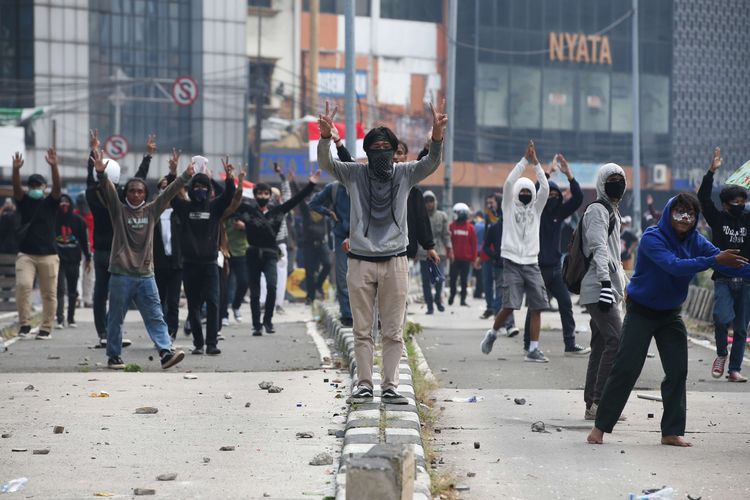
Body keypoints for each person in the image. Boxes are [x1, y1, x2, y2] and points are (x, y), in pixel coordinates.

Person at [587, 193, 750, 447]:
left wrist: (735, 264)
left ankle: (671, 432)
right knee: (626, 368)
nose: (685, 217)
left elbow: (727, 263)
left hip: (671, 314)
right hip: (641, 310)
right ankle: (600, 428)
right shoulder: (653, 237)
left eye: (690, 214)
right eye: (680, 211)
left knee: (677, 370)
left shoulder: (696, 240)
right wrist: (714, 260)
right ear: (668, 213)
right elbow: (674, 265)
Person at [317, 99, 447, 405]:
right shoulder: (354, 174)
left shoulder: (404, 174)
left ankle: (390, 387)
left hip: (395, 263)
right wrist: (326, 138)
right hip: (360, 262)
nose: (380, 154)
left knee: (393, 331)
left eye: (384, 148)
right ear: (367, 151)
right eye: (374, 149)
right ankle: (364, 385)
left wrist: (437, 137)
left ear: (392, 150)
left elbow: (430, 164)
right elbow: (327, 165)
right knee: (362, 331)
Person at [92, 148, 188, 370]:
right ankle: (114, 355)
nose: (136, 194)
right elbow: (107, 191)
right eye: (132, 191)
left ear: (146, 194)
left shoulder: (151, 211)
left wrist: (185, 174)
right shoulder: (119, 210)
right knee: (115, 318)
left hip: (146, 275)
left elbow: (170, 192)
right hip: (121, 274)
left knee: (155, 315)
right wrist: (100, 174)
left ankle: (165, 352)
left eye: (140, 191)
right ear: (126, 193)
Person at [480, 141, 550, 362]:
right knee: (510, 304)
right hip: (511, 262)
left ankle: (533, 349)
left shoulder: (536, 209)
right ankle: (492, 333)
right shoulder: (508, 206)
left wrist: (536, 164)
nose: (527, 194)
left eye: (530, 191)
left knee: (538, 305)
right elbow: (510, 182)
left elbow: (545, 188)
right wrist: (523, 162)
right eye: (524, 191)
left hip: (532, 263)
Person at [86, 130, 155, 347]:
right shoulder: (121, 195)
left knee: (100, 293)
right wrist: (147, 157)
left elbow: (91, 175)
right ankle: (114, 331)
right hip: (120, 252)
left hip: (100, 250)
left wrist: (94, 151)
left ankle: (103, 333)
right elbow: (139, 180)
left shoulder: (91, 193)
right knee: (119, 294)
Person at [167, 155, 236, 356]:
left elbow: (229, 195)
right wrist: (174, 173)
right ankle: (198, 342)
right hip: (189, 265)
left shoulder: (214, 208)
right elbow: (171, 195)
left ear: (209, 190)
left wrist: (229, 178)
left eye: (204, 187)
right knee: (193, 306)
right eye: (196, 186)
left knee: (213, 304)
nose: (200, 190)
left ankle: (212, 343)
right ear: (190, 188)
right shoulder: (184, 208)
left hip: (210, 264)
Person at [235, 171, 319, 335]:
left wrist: (311, 185)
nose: (263, 196)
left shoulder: (278, 211)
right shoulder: (248, 211)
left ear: (270, 196)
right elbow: (230, 200)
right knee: (255, 290)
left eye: (266, 193)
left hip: (270, 254)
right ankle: (256, 325)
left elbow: (296, 199)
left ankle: (268, 321)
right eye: (260, 193)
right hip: (252, 254)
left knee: (272, 286)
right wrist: (236, 181)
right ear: (255, 195)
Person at [523, 154, 588, 356]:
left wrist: (569, 174)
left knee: (566, 304)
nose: (552, 197)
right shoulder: (536, 211)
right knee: (536, 307)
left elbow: (577, 198)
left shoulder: (559, 213)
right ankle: (528, 343)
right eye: (548, 194)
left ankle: (570, 344)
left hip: (555, 269)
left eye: (555, 195)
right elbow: (534, 191)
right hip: (538, 267)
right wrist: (548, 173)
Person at [580, 163, 628, 420]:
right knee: (617, 341)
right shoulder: (598, 210)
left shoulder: (612, 211)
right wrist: (606, 284)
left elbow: (614, 256)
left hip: (607, 286)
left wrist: (624, 284)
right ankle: (600, 402)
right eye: (612, 179)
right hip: (600, 288)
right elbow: (598, 247)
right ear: (601, 182)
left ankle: (592, 404)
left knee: (600, 344)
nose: (617, 183)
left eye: (620, 179)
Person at [697, 147, 750, 382]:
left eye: (743, 201)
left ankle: (734, 369)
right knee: (721, 318)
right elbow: (702, 198)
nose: (740, 205)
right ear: (726, 204)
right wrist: (711, 172)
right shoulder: (718, 218)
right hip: (723, 280)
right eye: (735, 202)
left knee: (740, 329)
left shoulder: (748, 218)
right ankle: (721, 354)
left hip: (747, 281)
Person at [12, 149, 62, 339]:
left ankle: (46, 327)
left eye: (38, 184)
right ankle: (24, 324)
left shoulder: (51, 202)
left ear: (44, 186)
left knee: (49, 293)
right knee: (23, 286)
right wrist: (16, 170)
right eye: (31, 184)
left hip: (49, 254)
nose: (34, 187)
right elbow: (17, 189)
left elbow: (57, 188)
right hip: (26, 254)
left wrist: (54, 166)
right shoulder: (23, 201)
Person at [310, 165, 353, 326]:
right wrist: (329, 213)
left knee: (363, 278)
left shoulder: (362, 185)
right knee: (342, 277)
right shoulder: (333, 188)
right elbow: (313, 204)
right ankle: (347, 314)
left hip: (363, 237)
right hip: (341, 236)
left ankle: (365, 313)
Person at [153, 150, 185, 339]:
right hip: (158, 264)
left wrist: (175, 172)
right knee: (159, 301)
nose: (165, 189)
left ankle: (171, 332)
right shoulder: (153, 213)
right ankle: (160, 332)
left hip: (177, 264)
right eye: (162, 187)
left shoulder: (180, 212)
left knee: (173, 301)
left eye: (169, 186)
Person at [481, 196, 518, 334]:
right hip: (500, 266)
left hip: (512, 265)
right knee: (503, 295)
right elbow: (485, 247)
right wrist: (496, 255)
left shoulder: (514, 227)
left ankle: (504, 324)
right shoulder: (495, 227)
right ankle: (506, 324)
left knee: (505, 295)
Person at [54, 193, 92, 328]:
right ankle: (59, 318)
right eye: (61, 202)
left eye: (67, 202)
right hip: (58, 260)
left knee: (72, 290)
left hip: (74, 259)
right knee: (59, 289)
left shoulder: (78, 221)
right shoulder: (54, 219)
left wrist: (88, 257)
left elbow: (84, 240)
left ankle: (71, 318)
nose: (64, 205)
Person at [419, 191, 452, 314]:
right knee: (426, 282)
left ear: (435, 202)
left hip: (439, 252)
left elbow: (446, 235)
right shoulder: (419, 216)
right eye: (426, 202)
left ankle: (438, 299)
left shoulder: (442, 216)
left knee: (440, 278)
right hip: (423, 252)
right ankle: (429, 306)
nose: (429, 204)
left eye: (431, 201)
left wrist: (450, 249)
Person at [448, 203, 477, 307]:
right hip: (454, 259)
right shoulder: (451, 226)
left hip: (466, 260)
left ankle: (463, 300)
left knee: (464, 281)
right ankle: (452, 295)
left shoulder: (471, 228)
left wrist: (473, 259)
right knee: (453, 279)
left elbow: (474, 244)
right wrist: (449, 255)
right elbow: (448, 242)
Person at [477, 195, 499, 318]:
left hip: (498, 255)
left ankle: (497, 308)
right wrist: (480, 255)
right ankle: (489, 307)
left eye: (492, 202)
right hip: (487, 255)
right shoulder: (487, 217)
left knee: (499, 284)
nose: (490, 205)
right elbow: (485, 238)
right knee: (487, 283)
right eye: (488, 203)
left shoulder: (501, 216)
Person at [74, 193, 95, 308]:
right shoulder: (74, 215)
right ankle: (79, 297)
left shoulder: (93, 216)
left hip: (90, 248)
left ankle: (87, 298)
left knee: (89, 275)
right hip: (77, 248)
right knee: (79, 273)